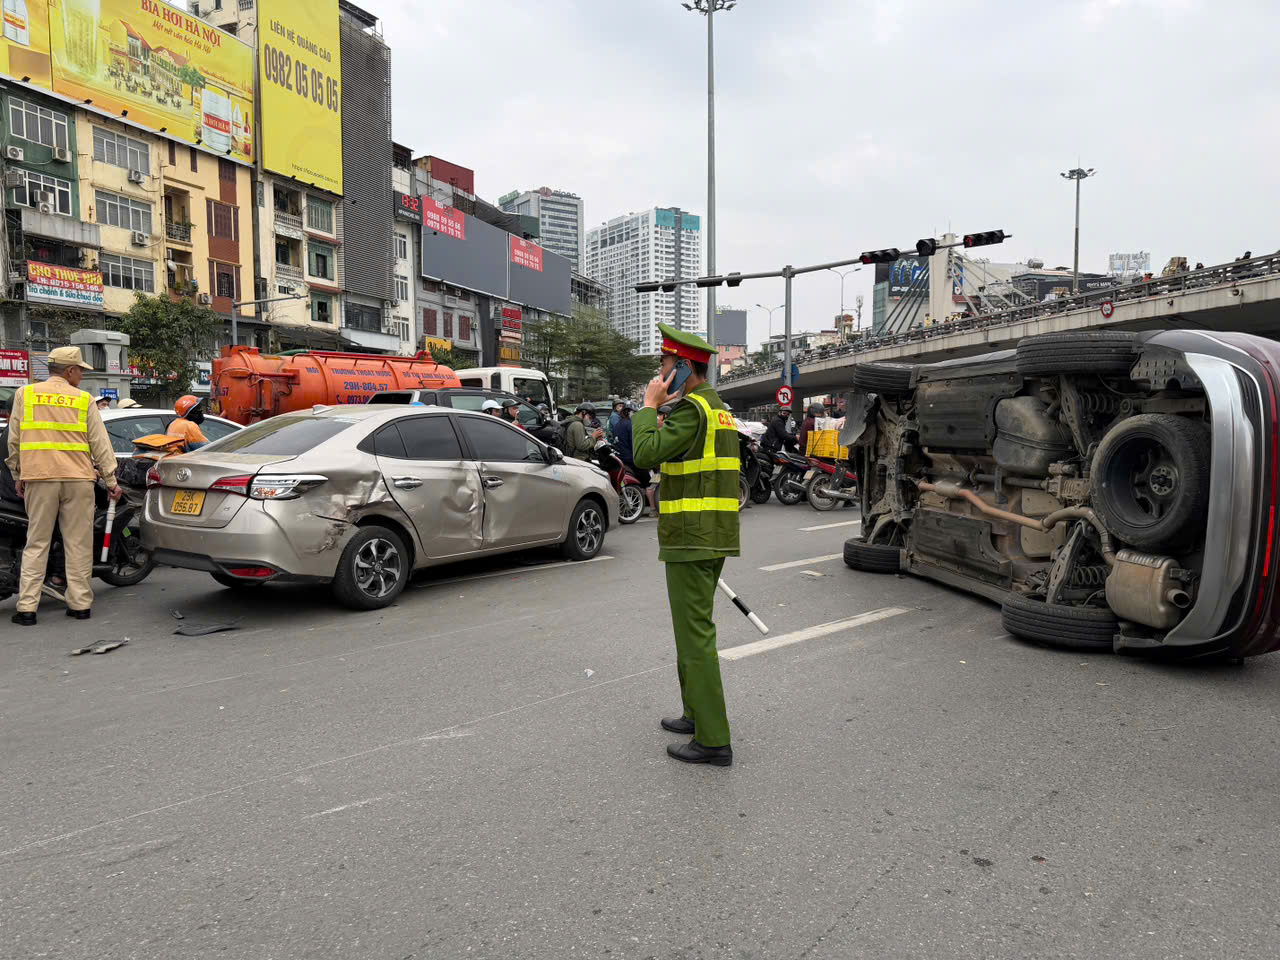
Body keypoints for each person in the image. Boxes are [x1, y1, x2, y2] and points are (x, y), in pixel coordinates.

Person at [632, 323, 740, 767]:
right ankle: (694, 714)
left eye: (664, 365)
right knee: (690, 631)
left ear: (682, 368)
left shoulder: (692, 411)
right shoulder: (717, 410)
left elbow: (643, 453)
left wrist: (647, 407)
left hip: (692, 538)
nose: (659, 373)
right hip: (708, 535)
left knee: (695, 637)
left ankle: (714, 740)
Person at [6, 346, 122, 626]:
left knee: (37, 543)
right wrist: (111, 481)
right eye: (80, 370)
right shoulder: (83, 400)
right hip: (78, 481)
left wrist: (17, 474)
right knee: (78, 544)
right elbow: (101, 445)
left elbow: (14, 439)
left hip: (39, 478)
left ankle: (27, 609)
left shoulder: (26, 394)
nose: (81, 375)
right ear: (70, 371)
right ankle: (80, 605)